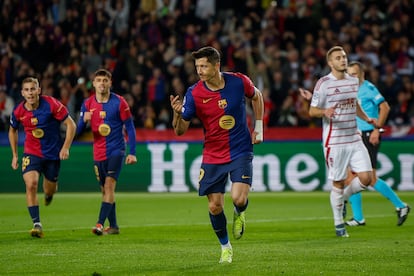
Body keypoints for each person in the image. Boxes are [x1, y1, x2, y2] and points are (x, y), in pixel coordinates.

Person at [170, 46, 264, 263]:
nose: (200, 71)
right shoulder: (194, 93)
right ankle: (225, 247)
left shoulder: (239, 81)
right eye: (197, 67)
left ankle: (240, 213)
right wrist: (176, 115)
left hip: (240, 149)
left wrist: (258, 127)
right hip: (213, 154)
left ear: (216, 65)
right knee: (214, 206)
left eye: (204, 66)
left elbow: (257, 96)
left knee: (239, 199)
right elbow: (180, 131)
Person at [299, 46, 376, 238]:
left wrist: (366, 119)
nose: (343, 60)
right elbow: (312, 111)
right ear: (330, 63)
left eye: (344, 56)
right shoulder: (323, 84)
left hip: (354, 137)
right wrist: (324, 112)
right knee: (339, 183)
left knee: (366, 178)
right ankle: (338, 223)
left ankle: (344, 199)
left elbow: (354, 103)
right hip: (335, 141)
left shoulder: (353, 81)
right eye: (338, 58)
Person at [8, 77, 76, 238]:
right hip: (32, 153)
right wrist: (15, 155)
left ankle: (49, 195)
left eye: (33, 89)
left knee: (50, 188)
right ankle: (37, 224)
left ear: (38, 90)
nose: (30, 93)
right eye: (27, 90)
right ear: (22, 93)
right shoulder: (19, 111)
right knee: (31, 184)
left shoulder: (51, 104)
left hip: (53, 154)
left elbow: (71, 124)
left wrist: (65, 147)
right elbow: (12, 130)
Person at [344, 61, 410, 226]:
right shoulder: (350, 90)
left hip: (368, 135)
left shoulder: (368, 89)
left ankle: (401, 206)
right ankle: (359, 217)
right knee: (352, 177)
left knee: (370, 178)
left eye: (354, 74)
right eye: (349, 74)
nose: (351, 77)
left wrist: (376, 129)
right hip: (356, 136)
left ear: (362, 75)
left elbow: (385, 107)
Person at [77, 69, 137, 236]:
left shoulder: (119, 102)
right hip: (98, 153)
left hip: (116, 150)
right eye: (99, 80)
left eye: (105, 80)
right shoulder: (87, 104)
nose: (102, 83)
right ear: (94, 84)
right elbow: (78, 131)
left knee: (109, 186)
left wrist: (132, 152)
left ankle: (99, 224)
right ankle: (115, 226)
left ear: (110, 83)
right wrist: (84, 121)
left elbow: (130, 128)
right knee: (105, 191)